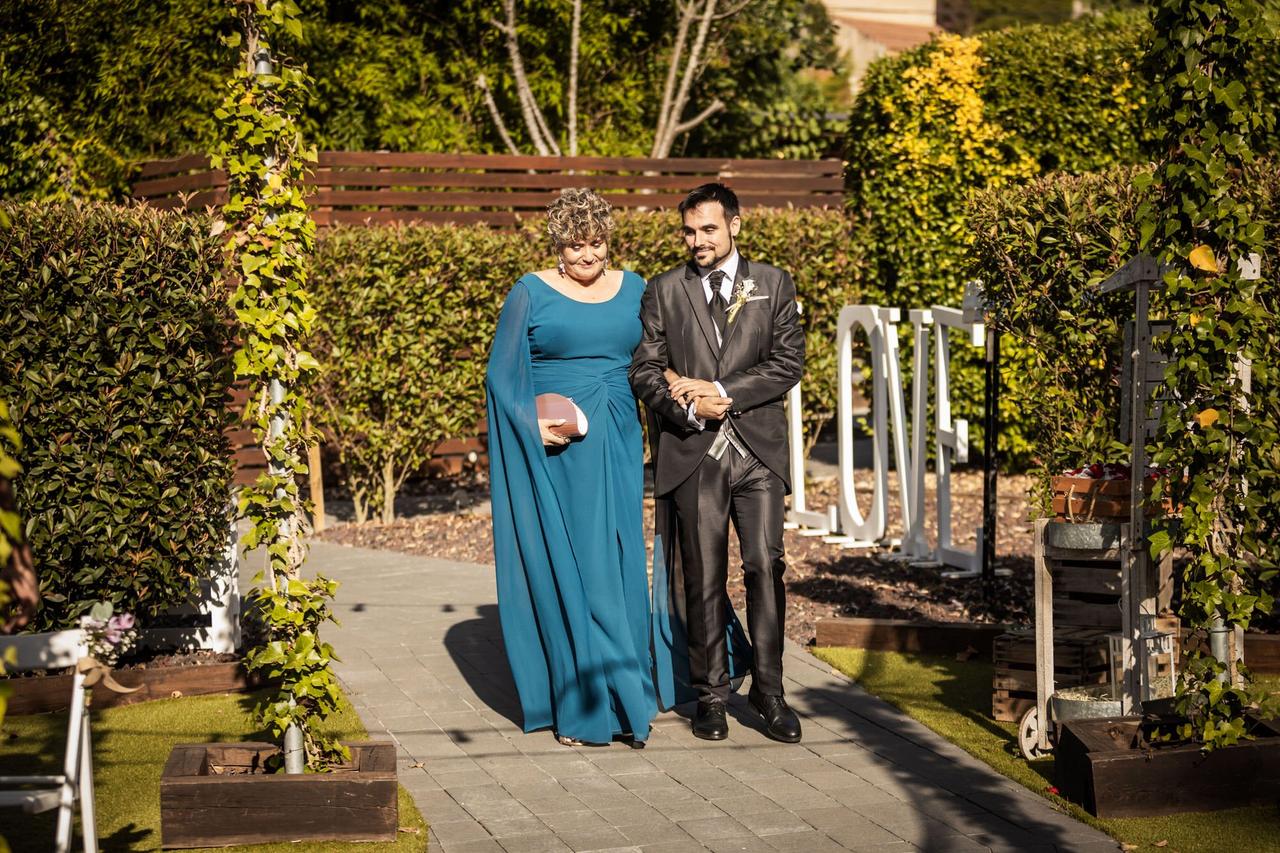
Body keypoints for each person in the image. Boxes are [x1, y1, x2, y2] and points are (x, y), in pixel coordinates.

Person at [630, 183, 805, 743]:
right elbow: (645, 370)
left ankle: (771, 691)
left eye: (708, 228)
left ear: (735, 225)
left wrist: (724, 391)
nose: (697, 240)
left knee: (764, 566)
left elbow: (787, 362)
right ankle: (711, 694)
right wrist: (685, 402)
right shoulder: (664, 290)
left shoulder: (773, 284)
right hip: (694, 452)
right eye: (688, 230)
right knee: (701, 577)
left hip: (758, 453)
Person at [485, 188, 658, 747]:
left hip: (621, 438)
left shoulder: (636, 288)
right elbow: (500, 376)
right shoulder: (529, 292)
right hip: (563, 450)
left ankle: (625, 691)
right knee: (582, 566)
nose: (589, 254)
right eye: (577, 244)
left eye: (598, 242)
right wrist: (529, 424)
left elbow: (654, 360)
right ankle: (589, 705)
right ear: (558, 245)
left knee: (620, 555)